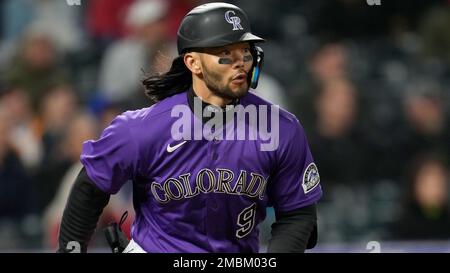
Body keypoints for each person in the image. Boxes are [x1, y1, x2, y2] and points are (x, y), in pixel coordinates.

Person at [58, 2, 322, 253]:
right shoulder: (142, 129)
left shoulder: (280, 129)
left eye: (245, 51)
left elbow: (297, 214)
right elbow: (89, 189)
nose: (240, 61)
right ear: (193, 63)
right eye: (225, 53)